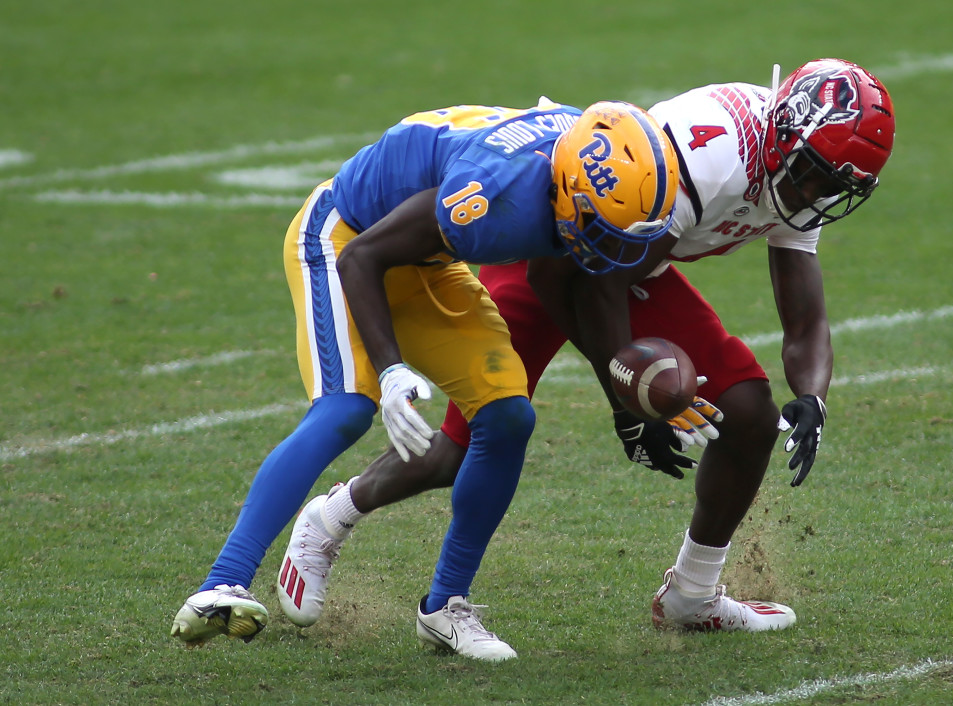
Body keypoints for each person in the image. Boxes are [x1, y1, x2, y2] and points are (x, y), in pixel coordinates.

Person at [278, 58, 895, 640]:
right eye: (813, 170)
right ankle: (329, 521)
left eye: (834, 181)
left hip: (626, 264)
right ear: (784, 134)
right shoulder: (712, 154)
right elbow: (585, 278)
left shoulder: (798, 169)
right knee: (464, 445)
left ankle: (693, 593)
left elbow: (803, 316)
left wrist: (812, 397)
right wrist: (628, 399)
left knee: (750, 413)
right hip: (555, 252)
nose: (816, 189)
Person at [170, 99, 680, 662]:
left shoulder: (587, 165)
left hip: (427, 258)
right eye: (597, 225)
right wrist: (389, 371)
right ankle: (223, 582)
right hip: (345, 237)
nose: (612, 245)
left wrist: (628, 399)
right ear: (565, 187)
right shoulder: (493, 193)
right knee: (346, 409)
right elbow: (365, 256)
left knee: (508, 414)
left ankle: (445, 607)